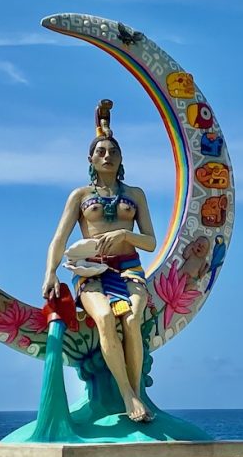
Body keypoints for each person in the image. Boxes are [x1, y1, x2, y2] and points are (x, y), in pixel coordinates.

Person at [42, 100, 157, 422]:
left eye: (113, 152)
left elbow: (150, 242)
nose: (108, 156)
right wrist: (50, 273)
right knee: (105, 317)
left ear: (122, 158)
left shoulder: (135, 195)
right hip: (91, 271)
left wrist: (125, 236)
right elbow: (59, 238)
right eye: (101, 152)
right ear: (90, 159)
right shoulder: (80, 196)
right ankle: (127, 395)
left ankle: (138, 393)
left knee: (132, 320)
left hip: (129, 268)